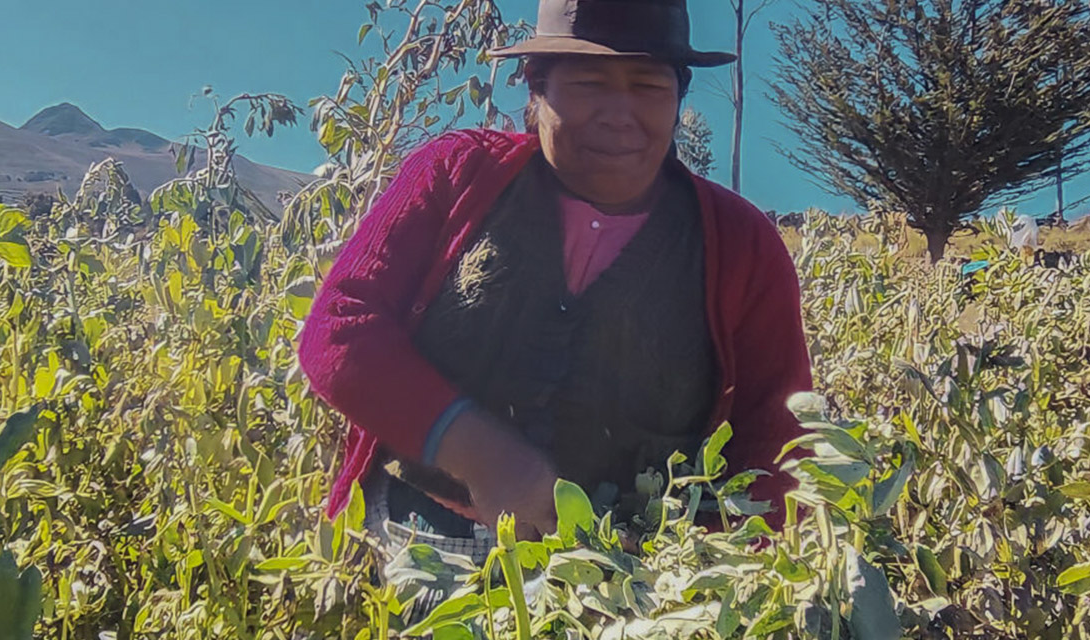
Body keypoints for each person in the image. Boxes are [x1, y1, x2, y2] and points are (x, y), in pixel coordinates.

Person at [298, 0, 812, 563]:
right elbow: (340, 326)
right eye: (589, 83)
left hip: (628, 588)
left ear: (679, 99)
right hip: (408, 544)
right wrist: (475, 449)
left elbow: (781, 430)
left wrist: (707, 564)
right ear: (535, 90)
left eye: (648, 86)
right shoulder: (458, 172)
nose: (620, 113)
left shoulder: (743, 244)